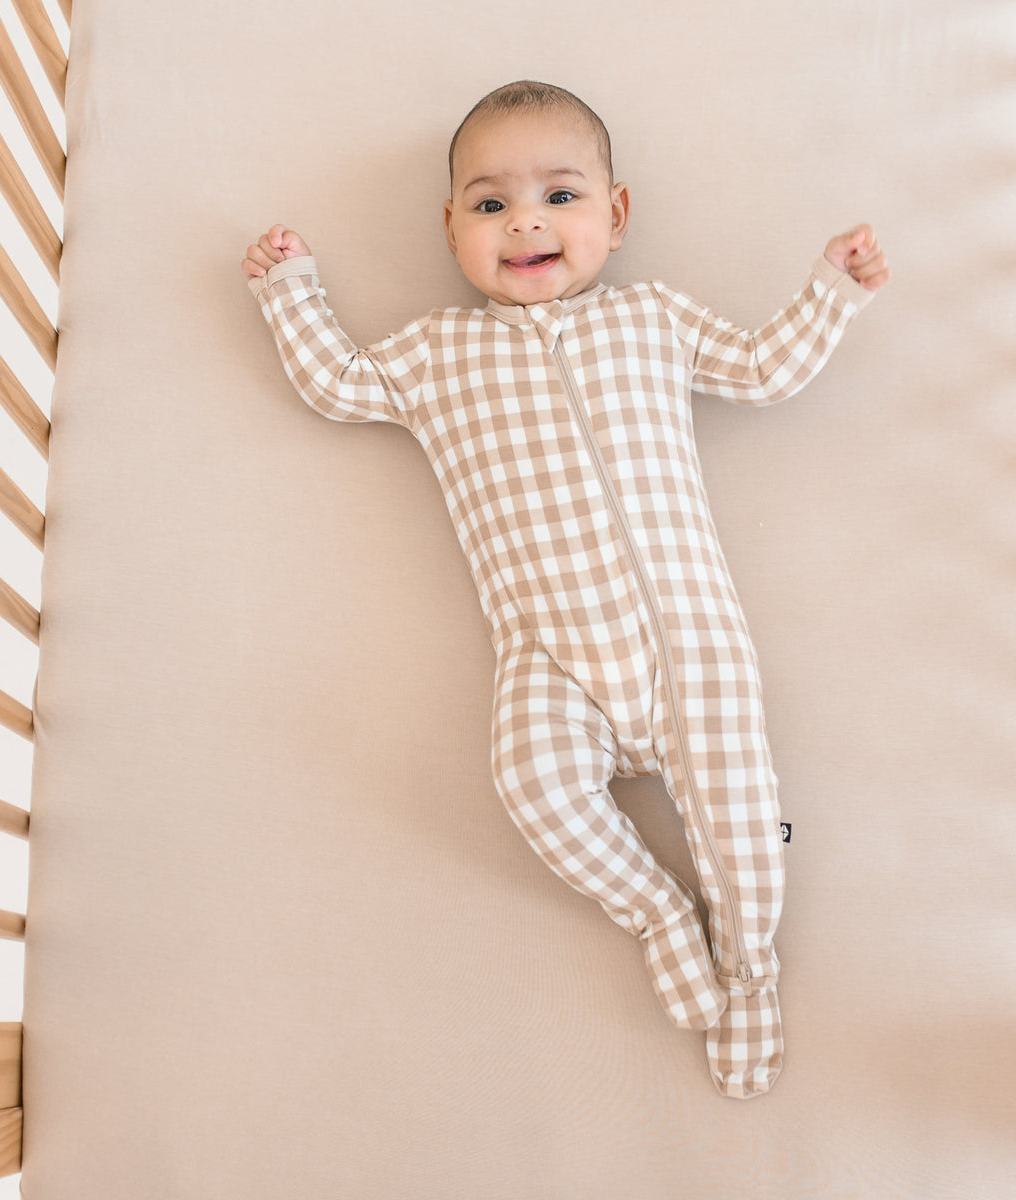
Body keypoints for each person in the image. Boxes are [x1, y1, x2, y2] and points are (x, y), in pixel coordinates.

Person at [242, 80, 889, 1099]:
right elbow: (340, 386)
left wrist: (830, 293)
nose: (526, 222)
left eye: (560, 195)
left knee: (741, 812)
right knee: (530, 783)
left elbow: (764, 370)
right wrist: (292, 292)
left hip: (691, 645)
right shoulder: (432, 353)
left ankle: (748, 968)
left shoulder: (655, 319)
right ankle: (660, 913)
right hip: (549, 653)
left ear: (616, 216)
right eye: (490, 204)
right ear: (450, 226)